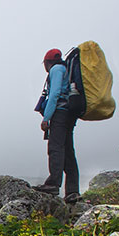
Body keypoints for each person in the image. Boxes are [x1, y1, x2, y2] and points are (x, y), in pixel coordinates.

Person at [34, 48, 81, 203]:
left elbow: (54, 94)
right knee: (68, 150)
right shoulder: (66, 69)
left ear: (48, 62)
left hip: (60, 113)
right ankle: (72, 191)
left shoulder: (56, 70)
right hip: (70, 113)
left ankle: (53, 184)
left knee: (55, 148)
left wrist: (46, 118)